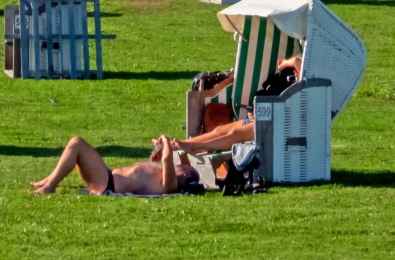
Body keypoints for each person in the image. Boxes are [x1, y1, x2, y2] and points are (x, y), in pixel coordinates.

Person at [174, 56, 303, 155]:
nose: (295, 73)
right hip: (265, 119)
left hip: (275, 125)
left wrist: (286, 63)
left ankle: (193, 146)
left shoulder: (307, 84)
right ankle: (174, 145)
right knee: (219, 130)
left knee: (234, 134)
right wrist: (254, 111)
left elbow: (297, 60)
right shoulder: (297, 83)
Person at [29, 134, 199, 196]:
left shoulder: (170, 185)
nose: (177, 165)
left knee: (76, 143)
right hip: (107, 177)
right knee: (77, 144)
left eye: (181, 166)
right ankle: (49, 180)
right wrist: (157, 153)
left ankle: (49, 186)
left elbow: (168, 159)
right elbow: (161, 162)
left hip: (107, 183)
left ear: (183, 174)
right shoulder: (163, 177)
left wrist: (166, 141)